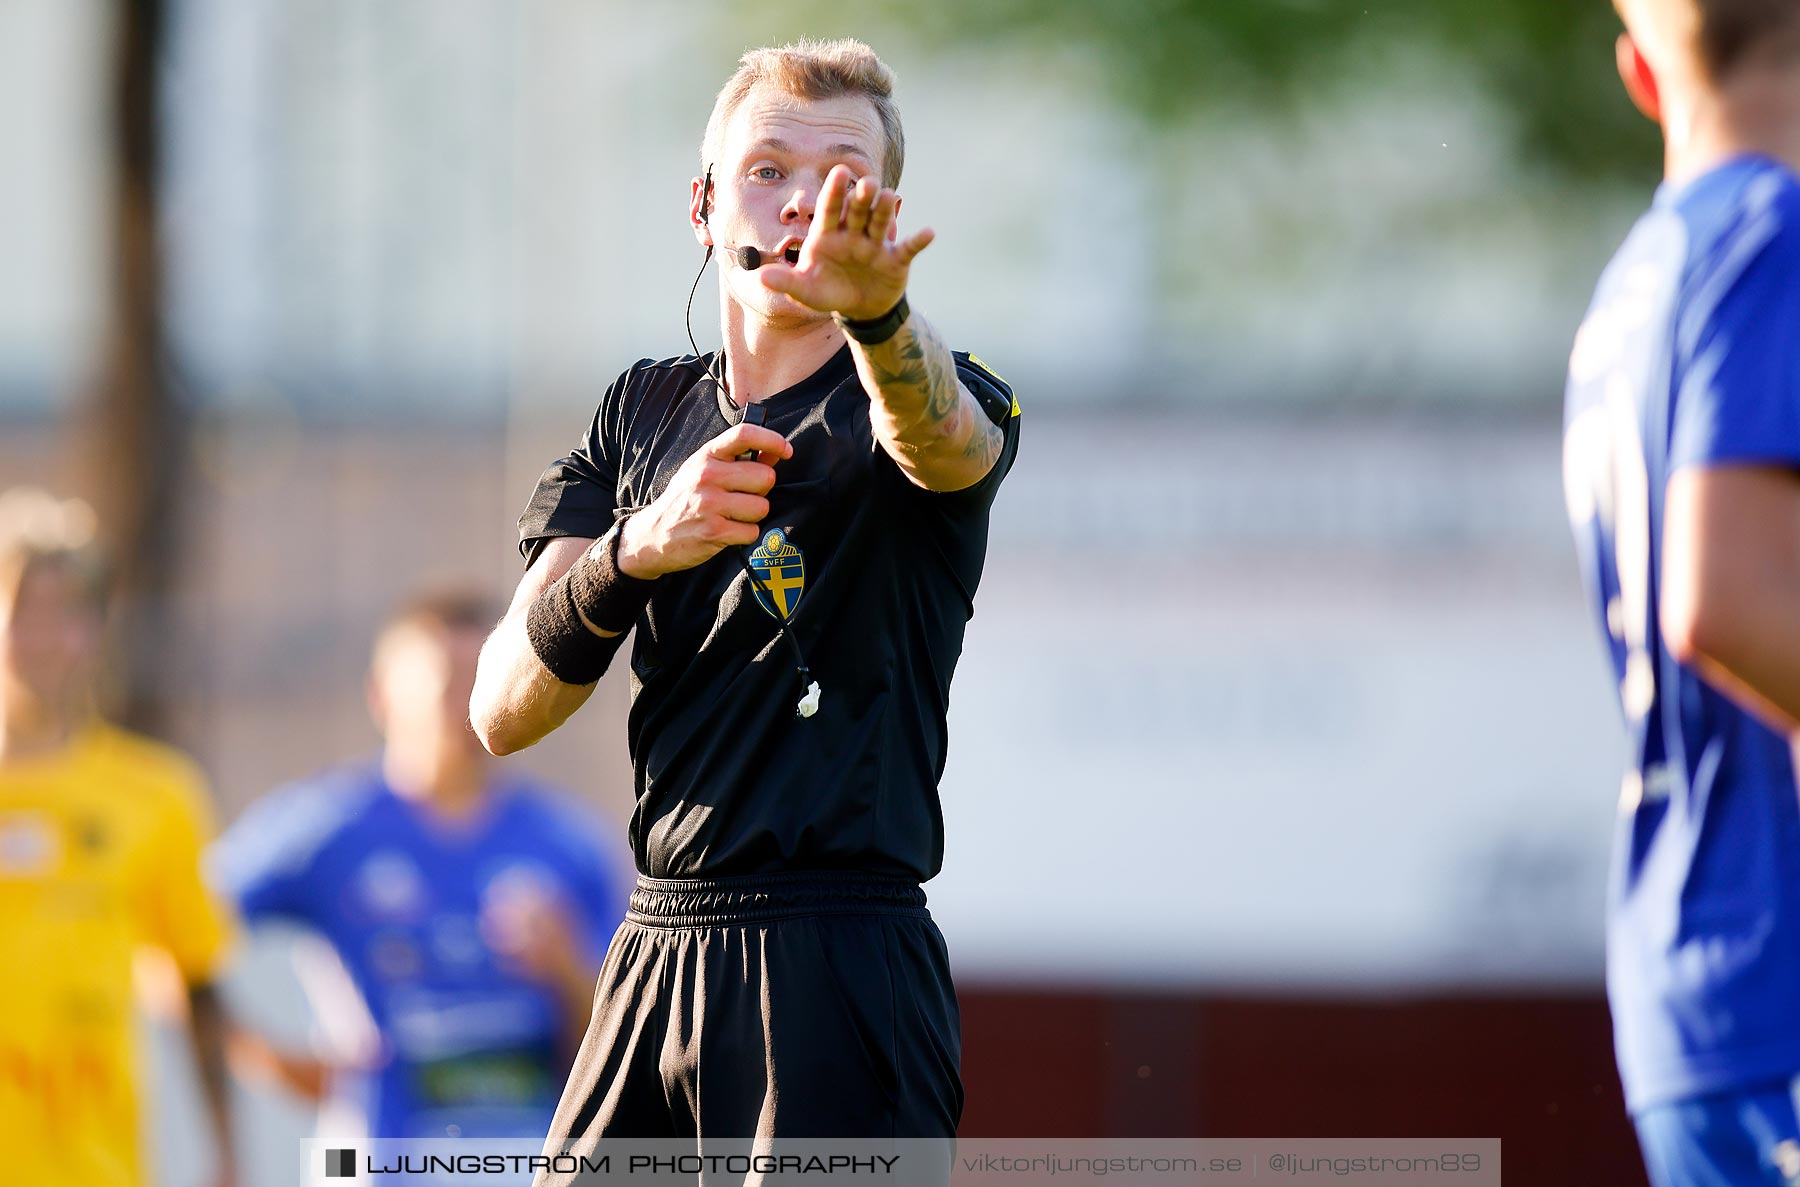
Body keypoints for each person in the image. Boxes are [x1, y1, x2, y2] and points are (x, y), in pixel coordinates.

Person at [470, 35, 1020, 1161]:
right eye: (769, 168)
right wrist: (635, 551)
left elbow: (946, 443)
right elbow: (500, 708)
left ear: (878, 212)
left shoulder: (922, 387)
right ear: (706, 202)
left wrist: (878, 318)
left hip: (837, 963)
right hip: (653, 949)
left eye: (840, 177)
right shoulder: (638, 413)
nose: (802, 201)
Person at [1564, 2, 1800, 1182]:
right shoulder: (1778, 229)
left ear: (1641, 73)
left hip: (1694, 978)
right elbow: (1727, 600)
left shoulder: (1633, 286)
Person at [211, 591, 627, 1145]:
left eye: (482, 675)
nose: (467, 699)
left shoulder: (569, 845)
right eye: (446, 678)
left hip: (529, 1162)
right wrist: (271, 1060)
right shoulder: (329, 831)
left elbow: (620, 1046)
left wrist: (567, 966)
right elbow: (173, 924)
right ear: (382, 696)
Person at [0, 487, 238, 1187]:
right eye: (20, 610)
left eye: (62, 613)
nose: (40, 637)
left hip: (94, 1162)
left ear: (97, 628)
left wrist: (225, 1149)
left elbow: (198, 980)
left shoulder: (155, 793)